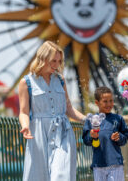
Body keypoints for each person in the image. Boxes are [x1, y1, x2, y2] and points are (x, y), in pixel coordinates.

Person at [18, 41, 86, 181]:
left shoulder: (60, 80)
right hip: (38, 134)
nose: (56, 64)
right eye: (53, 61)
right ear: (42, 59)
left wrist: (87, 119)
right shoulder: (26, 83)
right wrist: (25, 126)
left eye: (59, 61)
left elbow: (69, 108)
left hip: (63, 133)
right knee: (38, 176)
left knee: (61, 175)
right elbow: (23, 111)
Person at [82, 86, 128, 181]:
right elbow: (86, 141)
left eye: (111, 101)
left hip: (116, 163)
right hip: (98, 164)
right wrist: (91, 136)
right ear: (97, 103)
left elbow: (125, 138)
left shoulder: (118, 119)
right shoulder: (91, 120)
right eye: (105, 101)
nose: (109, 104)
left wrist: (119, 137)